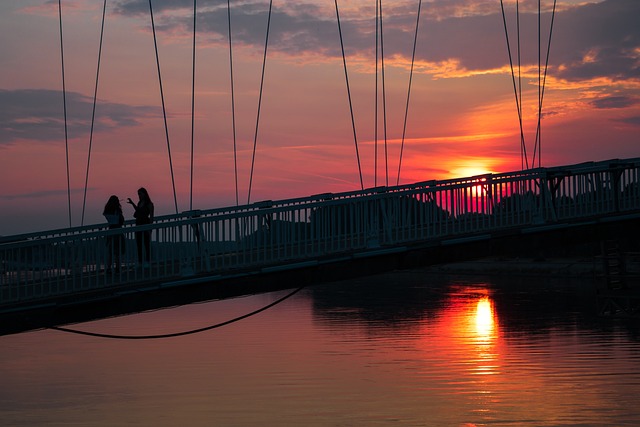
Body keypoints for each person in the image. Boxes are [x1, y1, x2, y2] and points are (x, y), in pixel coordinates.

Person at [127, 187, 154, 266]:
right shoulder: (139, 203)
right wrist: (132, 203)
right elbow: (138, 211)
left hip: (145, 223)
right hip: (138, 223)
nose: (139, 195)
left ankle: (148, 261)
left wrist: (150, 228)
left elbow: (151, 216)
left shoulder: (149, 204)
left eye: (140, 194)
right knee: (139, 244)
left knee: (146, 244)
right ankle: (140, 262)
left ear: (145, 194)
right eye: (138, 194)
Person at [103, 195, 125, 273]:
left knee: (110, 251)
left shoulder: (107, 211)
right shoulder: (117, 211)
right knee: (118, 252)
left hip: (110, 231)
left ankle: (108, 268)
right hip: (118, 231)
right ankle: (117, 268)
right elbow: (122, 220)